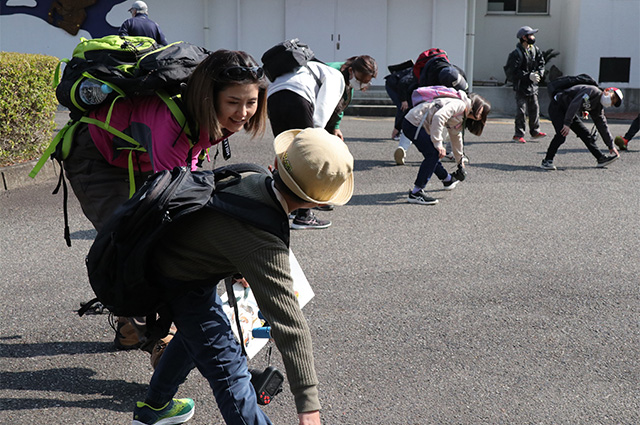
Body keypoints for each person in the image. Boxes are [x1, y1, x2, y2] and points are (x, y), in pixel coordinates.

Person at [131, 127, 353, 425]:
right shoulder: (265, 243)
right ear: (315, 202)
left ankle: (154, 407)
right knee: (229, 368)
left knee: (196, 334)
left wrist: (237, 268)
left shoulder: (253, 176)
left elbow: (218, 228)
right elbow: (291, 326)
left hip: (167, 261)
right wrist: (309, 408)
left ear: (276, 163)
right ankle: (155, 407)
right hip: (180, 281)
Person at [62, 49, 268, 358]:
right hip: (95, 158)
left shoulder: (201, 115)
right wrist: (231, 253)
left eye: (251, 102)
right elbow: (173, 207)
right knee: (133, 243)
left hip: (137, 152)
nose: (242, 113)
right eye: (233, 103)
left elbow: (193, 181)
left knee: (153, 239)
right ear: (209, 98)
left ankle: (131, 328)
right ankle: (162, 344)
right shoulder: (171, 122)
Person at [268, 55, 376, 229]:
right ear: (350, 71)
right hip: (298, 97)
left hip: (274, 96)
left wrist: (334, 128)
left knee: (286, 153)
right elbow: (320, 118)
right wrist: (321, 140)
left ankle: (283, 204)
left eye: (366, 82)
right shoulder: (336, 77)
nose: (362, 85)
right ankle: (303, 216)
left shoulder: (324, 69)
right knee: (308, 155)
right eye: (361, 81)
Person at [402, 91, 491, 205]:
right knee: (433, 154)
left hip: (417, 124)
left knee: (433, 154)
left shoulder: (461, 116)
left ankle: (447, 179)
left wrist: (460, 161)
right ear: (477, 104)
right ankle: (416, 192)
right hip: (414, 123)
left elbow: (456, 137)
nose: (481, 115)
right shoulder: (461, 105)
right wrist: (439, 144)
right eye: (482, 111)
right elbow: (439, 117)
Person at [540, 86, 622, 170]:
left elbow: (602, 125)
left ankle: (601, 158)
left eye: (613, 103)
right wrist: (567, 123)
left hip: (570, 111)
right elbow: (575, 103)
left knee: (586, 135)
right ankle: (547, 161)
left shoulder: (598, 107)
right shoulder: (592, 91)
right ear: (606, 91)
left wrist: (610, 145)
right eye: (612, 97)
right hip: (558, 106)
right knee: (561, 134)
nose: (610, 102)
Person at [507, 26, 547, 144]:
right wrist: (528, 76)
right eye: (531, 35)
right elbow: (513, 72)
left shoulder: (535, 50)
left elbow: (541, 64)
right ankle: (518, 135)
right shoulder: (516, 54)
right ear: (524, 38)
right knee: (521, 111)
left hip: (533, 86)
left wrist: (539, 74)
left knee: (535, 108)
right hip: (521, 86)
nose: (533, 37)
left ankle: (535, 131)